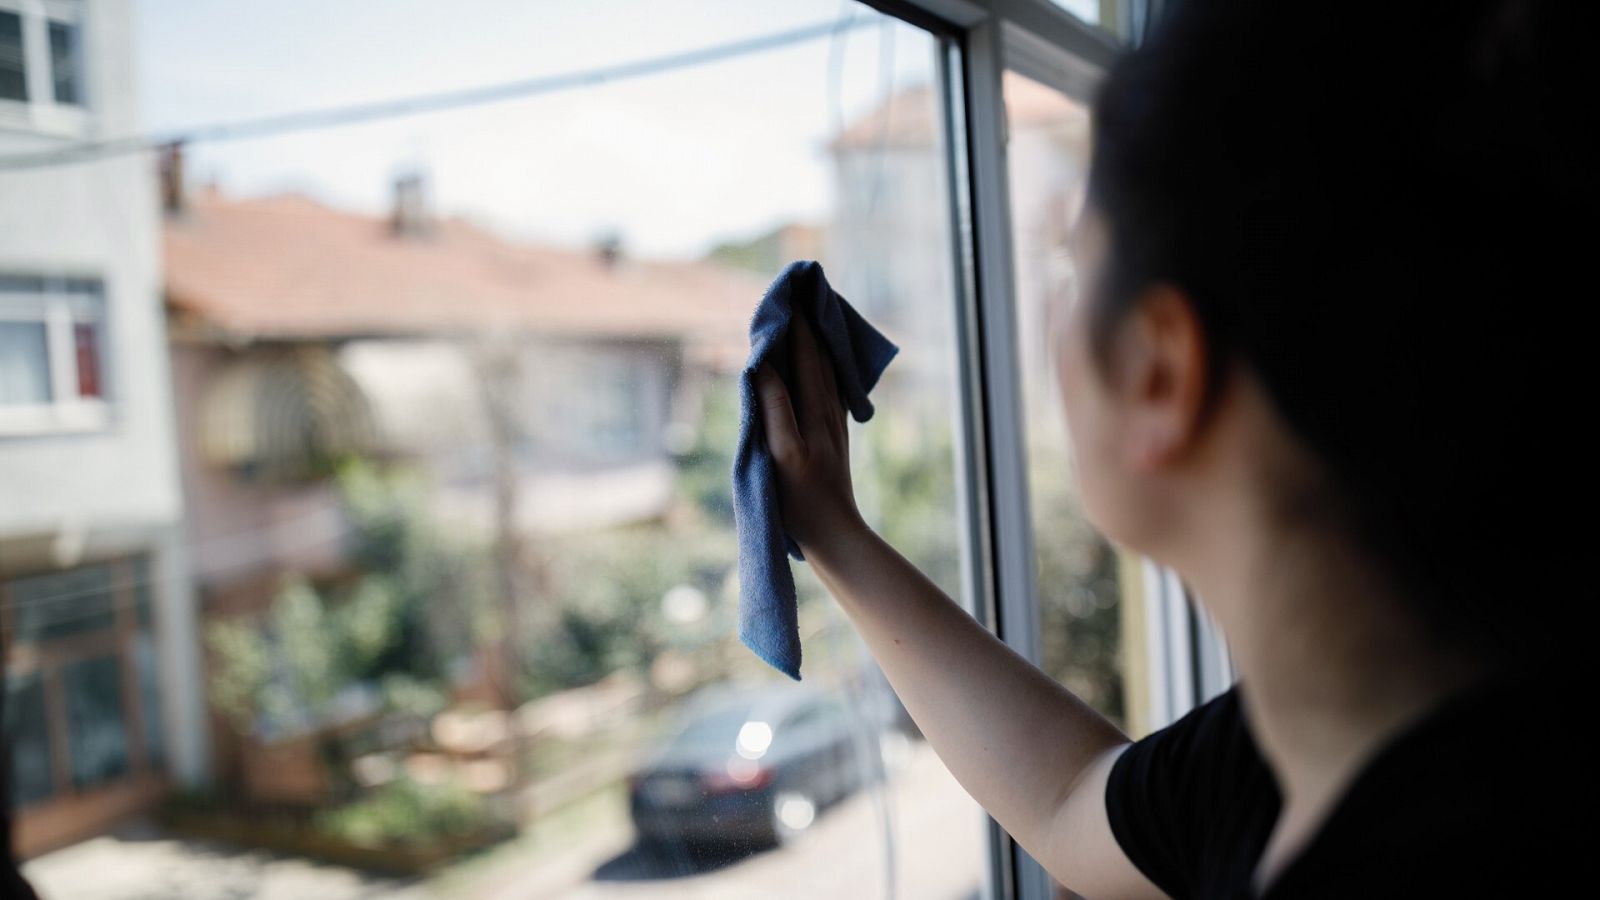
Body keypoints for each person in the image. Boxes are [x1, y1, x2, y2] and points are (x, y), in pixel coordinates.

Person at [754, 1, 1594, 896]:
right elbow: (1067, 799)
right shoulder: (1331, 734)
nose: (1053, 319)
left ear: (1160, 370)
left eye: (1076, 269)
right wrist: (835, 533)